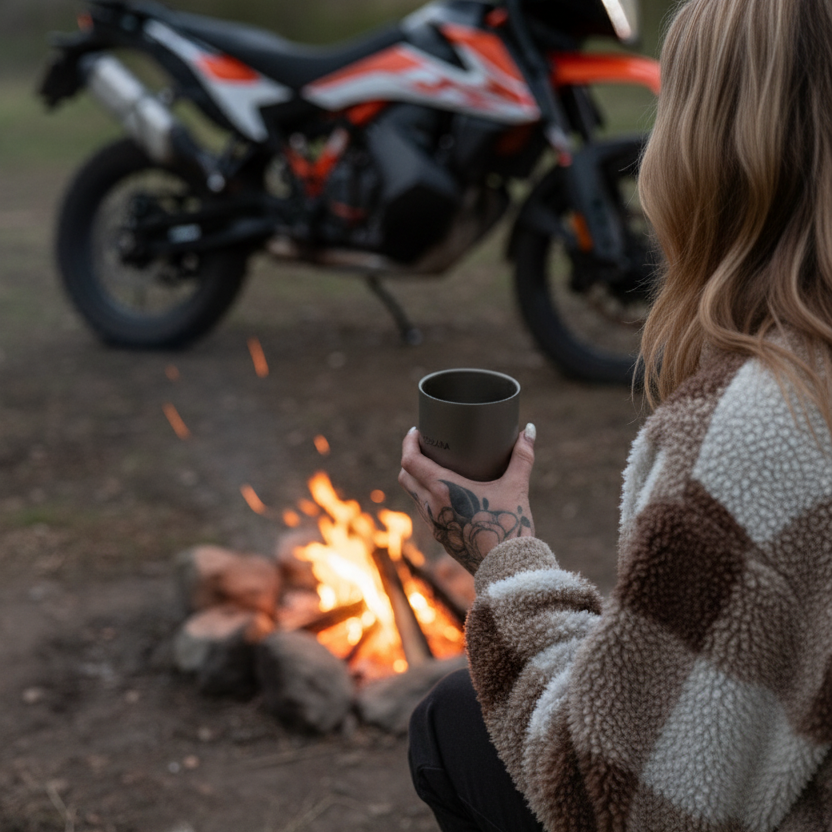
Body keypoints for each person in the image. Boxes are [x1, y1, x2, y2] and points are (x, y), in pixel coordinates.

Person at [399, 0, 832, 828]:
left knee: (450, 723)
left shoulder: (768, 426)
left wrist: (502, 550)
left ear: (709, 145)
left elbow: (614, 798)